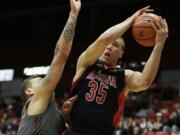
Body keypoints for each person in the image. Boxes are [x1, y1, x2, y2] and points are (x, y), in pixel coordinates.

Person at [64, 5, 168, 135]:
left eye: (115, 45)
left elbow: (145, 82)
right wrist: (131, 19)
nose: (109, 47)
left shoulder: (124, 76)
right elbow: (104, 39)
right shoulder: (86, 63)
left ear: (121, 54)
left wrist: (159, 44)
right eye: (108, 45)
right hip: (75, 131)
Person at [17, 0, 81, 135]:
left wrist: (65, 117)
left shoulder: (52, 113)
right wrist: (73, 15)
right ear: (30, 91)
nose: (46, 81)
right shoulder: (35, 101)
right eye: (41, 81)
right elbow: (60, 54)